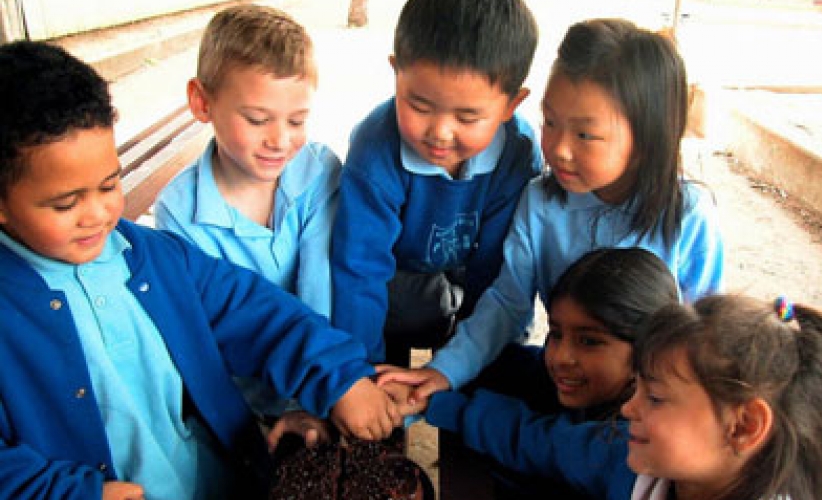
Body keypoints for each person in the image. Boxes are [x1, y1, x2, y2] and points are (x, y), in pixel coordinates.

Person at [0, 41, 400, 500]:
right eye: (66, 202)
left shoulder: (148, 255)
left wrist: (338, 374)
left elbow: (256, 313)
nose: (97, 214)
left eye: (110, 184)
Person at [379, 17, 725, 399]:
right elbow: (507, 304)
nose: (558, 148)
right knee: (495, 379)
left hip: (651, 396)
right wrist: (443, 372)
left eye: (585, 134)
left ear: (646, 138)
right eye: (550, 122)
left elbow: (703, 330)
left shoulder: (687, 214)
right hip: (570, 382)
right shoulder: (541, 203)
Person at [423, 294, 822, 500]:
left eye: (656, 398)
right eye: (638, 387)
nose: (628, 408)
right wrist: (435, 401)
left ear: (744, 426)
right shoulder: (633, 459)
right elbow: (545, 443)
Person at [153, 5, 340, 444]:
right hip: (247, 402)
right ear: (202, 102)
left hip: (326, 379)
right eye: (257, 120)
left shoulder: (318, 171)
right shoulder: (178, 213)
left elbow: (322, 293)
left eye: (297, 120)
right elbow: (210, 331)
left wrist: (316, 400)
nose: (279, 139)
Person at [329, 0, 543, 366]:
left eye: (468, 116)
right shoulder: (376, 150)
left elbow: (499, 268)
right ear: (396, 73)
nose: (440, 133)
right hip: (396, 273)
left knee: (483, 370)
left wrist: (468, 361)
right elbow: (361, 271)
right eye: (420, 107)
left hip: (469, 272)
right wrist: (361, 377)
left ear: (512, 104)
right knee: (384, 362)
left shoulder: (517, 152)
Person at [458, 247, 681, 498]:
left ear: (646, 352)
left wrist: (448, 407)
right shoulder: (596, 386)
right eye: (555, 334)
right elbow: (527, 367)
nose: (560, 357)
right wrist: (451, 371)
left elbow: (542, 442)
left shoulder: (630, 443)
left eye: (588, 341)